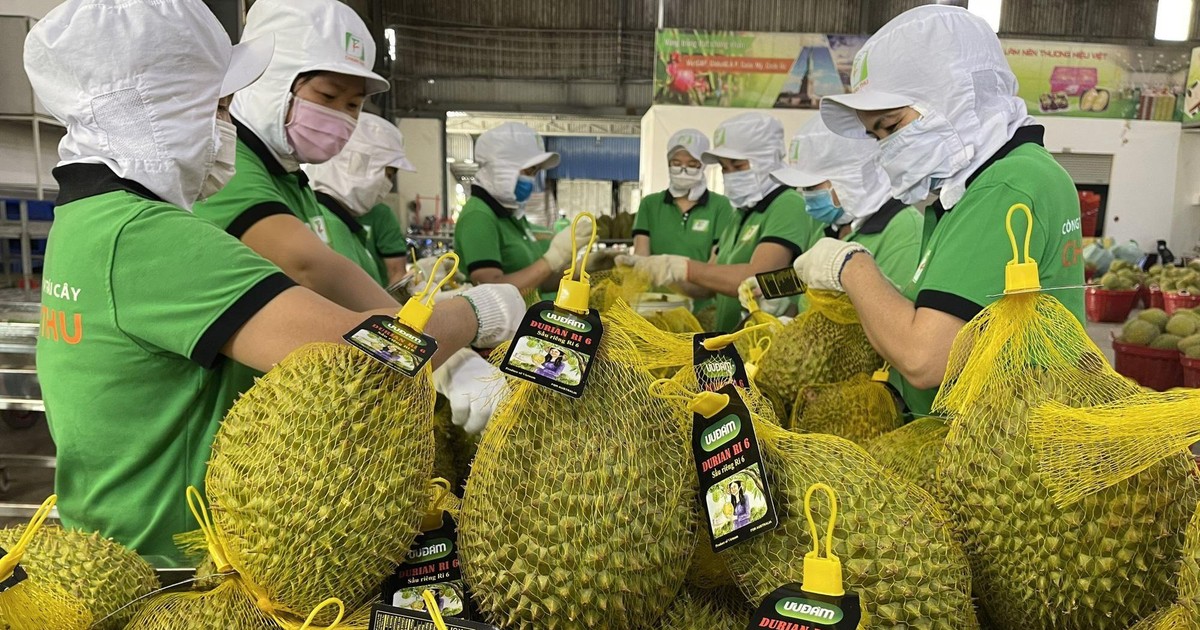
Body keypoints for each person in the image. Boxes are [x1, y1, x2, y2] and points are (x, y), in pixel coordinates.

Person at [26, 0, 521, 566]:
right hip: (175, 566)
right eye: (217, 106)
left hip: (117, 539)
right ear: (159, 109)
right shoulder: (149, 239)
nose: (225, 128)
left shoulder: (88, 221)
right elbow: (365, 361)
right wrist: (475, 314)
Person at [198, 0, 506, 437]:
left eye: (353, 105)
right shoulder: (230, 164)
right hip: (228, 430)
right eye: (327, 97)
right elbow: (307, 266)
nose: (341, 117)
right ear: (270, 80)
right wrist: (447, 333)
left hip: (286, 419)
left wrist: (425, 338)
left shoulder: (291, 181)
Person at [795, 5, 1084, 416]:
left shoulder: (1007, 185)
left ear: (953, 99)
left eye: (891, 127)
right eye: (874, 135)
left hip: (998, 454)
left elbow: (924, 359)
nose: (884, 149)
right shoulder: (964, 193)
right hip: (976, 445)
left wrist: (850, 266)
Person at [618, 113, 825, 332]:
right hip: (732, 341)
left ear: (767, 161)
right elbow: (707, 286)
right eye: (725, 168)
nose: (730, 175)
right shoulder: (741, 215)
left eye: (738, 166)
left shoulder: (787, 205)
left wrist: (681, 267)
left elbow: (757, 278)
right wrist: (658, 269)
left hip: (765, 345)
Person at [769, 116, 923, 289]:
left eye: (811, 188)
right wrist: (770, 289)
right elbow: (811, 278)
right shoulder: (833, 223)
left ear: (850, 180)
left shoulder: (905, 232)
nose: (806, 198)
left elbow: (889, 310)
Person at [454, 123, 590, 295]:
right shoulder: (478, 217)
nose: (532, 180)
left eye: (535, 172)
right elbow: (489, 291)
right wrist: (552, 258)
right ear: (502, 168)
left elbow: (535, 283)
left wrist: (581, 270)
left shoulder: (511, 215)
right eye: (528, 171)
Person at [631, 129, 733, 314]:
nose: (683, 170)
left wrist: (672, 274)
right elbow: (642, 257)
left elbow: (715, 267)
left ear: (703, 166)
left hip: (702, 309)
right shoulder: (650, 204)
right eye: (676, 164)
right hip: (656, 307)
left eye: (692, 164)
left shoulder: (720, 206)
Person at [307, 112, 414, 286]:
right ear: (358, 165)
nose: (385, 187)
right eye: (385, 175)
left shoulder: (346, 225)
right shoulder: (331, 224)